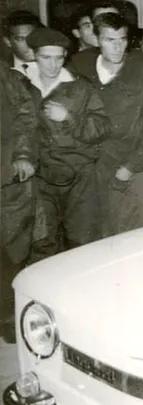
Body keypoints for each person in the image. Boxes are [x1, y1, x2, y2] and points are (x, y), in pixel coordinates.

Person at [20, 28, 110, 262]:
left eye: (59, 58)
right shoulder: (21, 85)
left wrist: (69, 117)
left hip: (79, 176)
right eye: (46, 57)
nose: (53, 65)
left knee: (83, 241)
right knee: (41, 241)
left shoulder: (80, 87)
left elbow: (102, 127)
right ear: (33, 55)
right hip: (39, 176)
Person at [68, 13, 143, 237]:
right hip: (89, 170)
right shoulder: (80, 66)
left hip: (128, 169)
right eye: (110, 40)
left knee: (129, 238)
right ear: (97, 39)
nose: (118, 47)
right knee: (91, 237)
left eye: (122, 39)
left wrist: (130, 167)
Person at [0, 60, 38, 343]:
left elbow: (25, 117)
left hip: (7, 177)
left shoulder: (6, 77)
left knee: (12, 248)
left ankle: (8, 317)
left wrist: (22, 155)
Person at [2, 10, 41, 75]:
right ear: (8, 42)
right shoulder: (3, 69)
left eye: (33, 37)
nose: (29, 44)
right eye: (21, 39)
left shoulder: (54, 63)